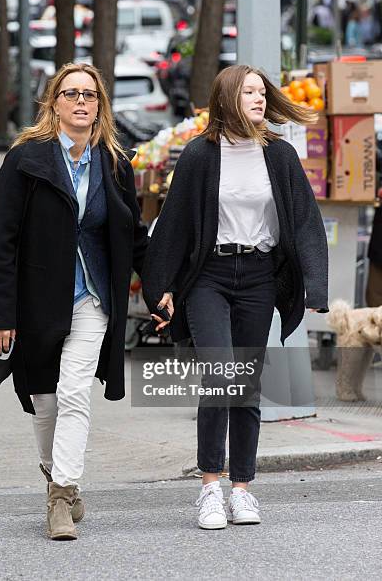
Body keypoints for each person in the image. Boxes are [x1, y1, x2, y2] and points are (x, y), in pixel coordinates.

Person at [141, 65, 328, 530]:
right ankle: (209, 487)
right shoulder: (200, 156)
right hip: (210, 276)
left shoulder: (279, 155)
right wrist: (160, 287)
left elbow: (304, 219)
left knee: (245, 384)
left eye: (262, 93)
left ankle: (242, 489)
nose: (260, 100)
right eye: (249, 92)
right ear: (227, 98)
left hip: (260, 276)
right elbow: (175, 224)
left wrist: (316, 285)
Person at [0, 62, 149, 540]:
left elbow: (134, 237)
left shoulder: (115, 163)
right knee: (45, 401)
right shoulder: (25, 160)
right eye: (71, 93)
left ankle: (59, 497)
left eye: (90, 96)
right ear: (53, 102)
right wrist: (0, 313)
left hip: (92, 298)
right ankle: (62, 479)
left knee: (75, 392)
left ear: (100, 106)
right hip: (37, 301)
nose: (81, 102)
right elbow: (3, 241)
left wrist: (161, 290)